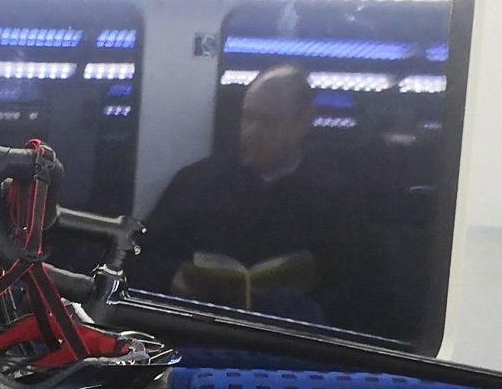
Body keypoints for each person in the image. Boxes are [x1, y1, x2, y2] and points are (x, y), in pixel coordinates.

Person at [129, 64, 373, 329]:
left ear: (303, 123)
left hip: (291, 340)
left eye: (269, 121)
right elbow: (140, 255)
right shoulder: (198, 182)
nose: (252, 131)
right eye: (248, 117)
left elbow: (358, 287)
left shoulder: (337, 199)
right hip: (200, 332)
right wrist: (172, 278)